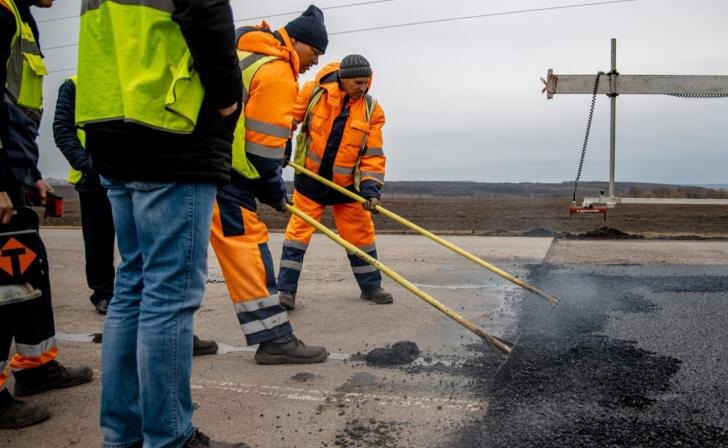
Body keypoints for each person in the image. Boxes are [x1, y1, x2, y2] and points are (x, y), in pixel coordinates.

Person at [75, 0, 246, 446]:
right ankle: (169, 437)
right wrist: (229, 99)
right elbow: (206, 12)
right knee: (167, 295)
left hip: (113, 126)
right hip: (170, 129)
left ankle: (123, 434)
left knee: (132, 285)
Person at [50, 75, 219, 355]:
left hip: (131, 171)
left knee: (141, 252)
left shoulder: (134, 77)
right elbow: (63, 130)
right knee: (99, 241)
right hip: (94, 178)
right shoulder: (75, 84)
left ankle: (149, 322)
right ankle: (104, 294)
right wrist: (87, 165)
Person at [210, 5, 329, 364]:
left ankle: (171, 337)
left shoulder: (246, 53)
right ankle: (275, 339)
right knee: (250, 252)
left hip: (198, 165)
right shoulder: (277, 71)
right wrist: (276, 193)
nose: (315, 60)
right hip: (227, 176)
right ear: (296, 41)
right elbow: (262, 152)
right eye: (314, 51)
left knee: (173, 260)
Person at [0, 0, 93, 430]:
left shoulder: (22, 18)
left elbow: (14, 114)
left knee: (25, 280)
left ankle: (36, 369)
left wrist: (30, 174)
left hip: (14, 172)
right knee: (4, 290)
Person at [277, 54, 393, 310]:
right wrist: (282, 147)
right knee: (298, 235)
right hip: (310, 182)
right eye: (358, 83)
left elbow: (373, 154)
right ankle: (286, 291)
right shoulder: (313, 91)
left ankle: (371, 286)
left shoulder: (372, 110)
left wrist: (371, 189)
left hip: (347, 187)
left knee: (361, 236)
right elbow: (287, 120)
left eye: (367, 82)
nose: (363, 88)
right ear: (344, 79)